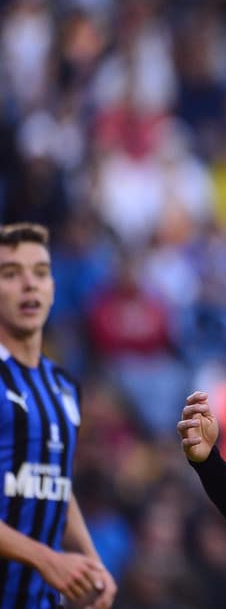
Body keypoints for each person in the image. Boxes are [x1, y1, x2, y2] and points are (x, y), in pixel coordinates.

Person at [0, 223, 117, 608]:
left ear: (53, 288)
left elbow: (55, 485)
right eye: (11, 274)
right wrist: (47, 559)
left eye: (40, 272)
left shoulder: (63, 385)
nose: (29, 285)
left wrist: (92, 562)